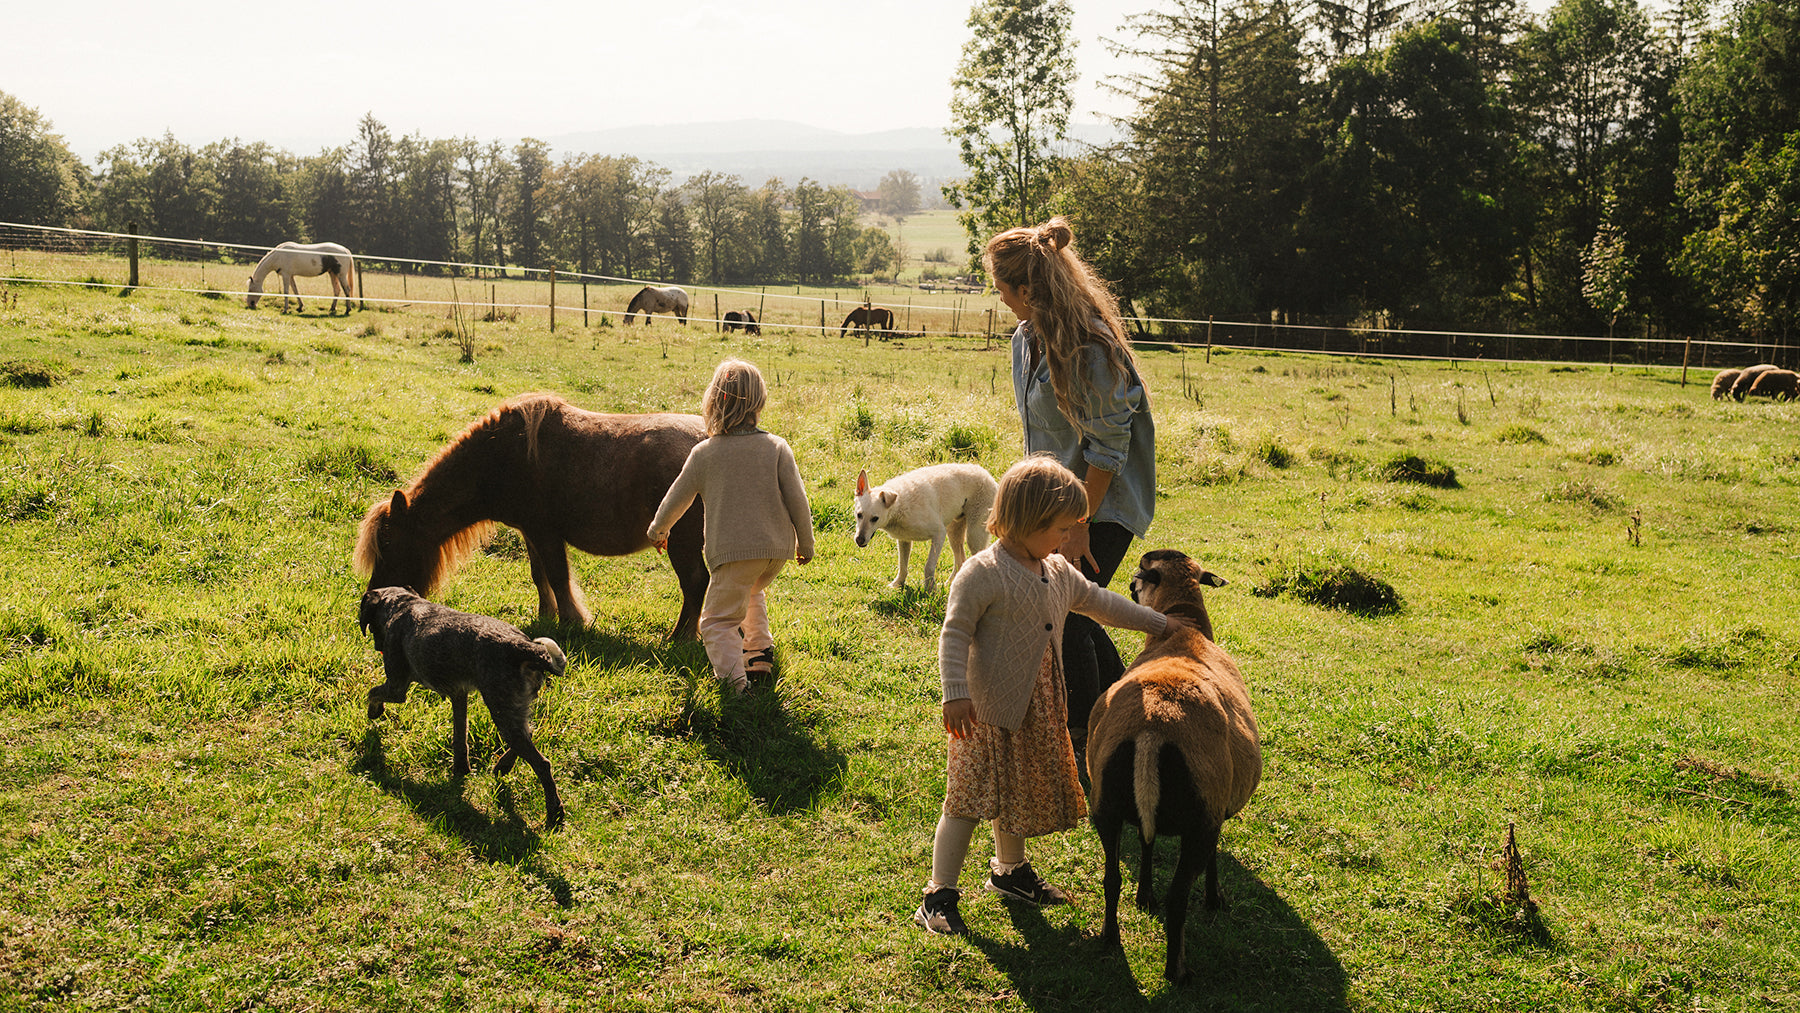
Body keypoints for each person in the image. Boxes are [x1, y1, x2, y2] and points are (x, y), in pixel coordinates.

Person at [914, 456, 1189, 935]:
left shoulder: (1057, 570)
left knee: (1015, 791)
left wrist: (1161, 623)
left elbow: (1102, 604)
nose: (1067, 538)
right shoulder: (982, 572)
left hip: (1036, 707)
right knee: (967, 800)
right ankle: (938, 895)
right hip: (983, 712)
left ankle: (1009, 873)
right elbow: (954, 633)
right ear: (1028, 521)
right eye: (1061, 528)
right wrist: (954, 693)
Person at [985, 216, 1157, 749]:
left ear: (1027, 290)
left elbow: (1109, 446)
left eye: (1001, 288)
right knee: (1070, 610)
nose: (999, 298)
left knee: (1065, 613)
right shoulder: (1025, 339)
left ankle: (1084, 733)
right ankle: (1124, 711)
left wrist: (1080, 522)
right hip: (1054, 505)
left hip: (1102, 501)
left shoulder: (1089, 348)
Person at [647, 358, 814, 693]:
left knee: (717, 621)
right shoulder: (777, 447)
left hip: (734, 552)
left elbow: (676, 499)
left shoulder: (704, 453)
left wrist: (658, 531)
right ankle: (759, 655)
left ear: (713, 400)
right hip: (775, 551)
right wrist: (805, 544)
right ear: (759, 401)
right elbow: (798, 499)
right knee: (750, 591)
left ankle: (735, 686)